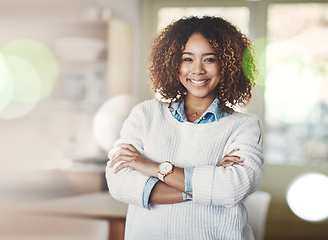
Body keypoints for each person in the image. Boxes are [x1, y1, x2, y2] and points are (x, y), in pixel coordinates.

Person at [106, 16, 262, 240]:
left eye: (209, 59)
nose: (197, 70)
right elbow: (119, 183)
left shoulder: (245, 126)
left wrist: (152, 168)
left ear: (227, 65)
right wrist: (205, 186)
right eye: (187, 59)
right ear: (172, 64)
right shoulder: (145, 114)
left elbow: (231, 189)